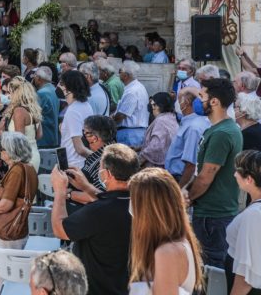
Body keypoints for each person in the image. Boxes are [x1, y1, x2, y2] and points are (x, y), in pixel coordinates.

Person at [50, 143, 140, 295]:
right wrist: (86, 186)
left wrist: (60, 192)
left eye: (100, 167)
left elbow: (60, 230)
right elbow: (109, 200)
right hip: (126, 287)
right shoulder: (140, 203)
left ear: (108, 174)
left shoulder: (99, 211)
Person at [186, 77, 243, 268]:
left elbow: (206, 176)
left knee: (210, 271)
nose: (198, 100)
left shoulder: (222, 133)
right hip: (212, 213)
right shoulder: (220, 129)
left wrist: (188, 198)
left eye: (201, 96)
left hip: (213, 216)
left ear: (214, 101)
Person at [0, 132, 38, 292]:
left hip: (8, 230)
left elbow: (5, 205)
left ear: (11, 151)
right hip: (18, 229)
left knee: (5, 275)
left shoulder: (17, 171)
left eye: (3, 149)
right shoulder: (28, 167)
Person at [127, 167, 203, 295]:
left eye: (133, 199)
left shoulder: (166, 252)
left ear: (147, 208)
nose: (130, 204)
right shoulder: (175, 243)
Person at [225, 150, 261, 294]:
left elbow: (246, 274)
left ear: (249, 179)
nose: (234, 175)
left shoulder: (254, 214)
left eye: (237, 172)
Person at [64, 115, 117, 205]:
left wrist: (69, 194)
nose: (82, 137)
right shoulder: (114, 151)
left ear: (94, 138)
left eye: (85, 133)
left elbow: (100, 195)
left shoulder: (104, 160)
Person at [164, 88, 211, 186]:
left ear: (186, 102)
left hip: (180, 178)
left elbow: (191, 164)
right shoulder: (190, 121)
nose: (177, 103)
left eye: (178, 99)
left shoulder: (193, 127)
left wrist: (180, 189)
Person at [0, 77, 42, 170]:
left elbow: (19, 142)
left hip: (23, 159)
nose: (9, 96)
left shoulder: (19, 111)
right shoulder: (34, 109)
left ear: (16, 93)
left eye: (10, 92)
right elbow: (39, 135)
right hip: (33, 153)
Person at [58, 70, 93, 169]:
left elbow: (79, 148)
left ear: (67, 87)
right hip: (80, 164)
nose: (60, 87)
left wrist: (98, 159)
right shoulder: (86, 105)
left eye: (62, 83)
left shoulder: (73, 110)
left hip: (73, 164)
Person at [113, 61, 150, 148]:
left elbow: (122, 115)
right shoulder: (137, 87)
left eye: (120, 72)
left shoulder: (132, 91)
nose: (118, 74)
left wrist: (111, 120)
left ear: (126, 75)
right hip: (134, 133)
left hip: (130, 134)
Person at [138, 92, 179, 168]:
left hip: (155, 168)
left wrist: (138, 161)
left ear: (157, 106)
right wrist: (139, 147)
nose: (152, 108)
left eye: (153, 104)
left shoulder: (161, 121)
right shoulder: (171, 117)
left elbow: (155, 147)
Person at [32, 66, 59, 148]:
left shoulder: (41, 93)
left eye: (35, 77)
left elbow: (34, 114)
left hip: (44, 138)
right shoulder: (54, 89)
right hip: (53, 135)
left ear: (39, 78)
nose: (33, 79)